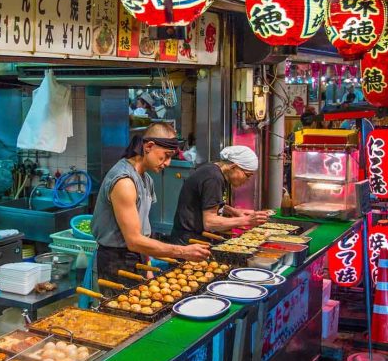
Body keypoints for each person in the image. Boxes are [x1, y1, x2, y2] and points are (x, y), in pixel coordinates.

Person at [91, 123, 210, 291]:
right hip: (115, 262)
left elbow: (142, 231)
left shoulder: (146, 179)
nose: (168, 163)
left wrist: (147, 266)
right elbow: (134, 241)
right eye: (166, 156)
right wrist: (182, 252)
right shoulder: (124, 182)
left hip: (137, 256)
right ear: (149, 146)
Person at [170, 146, 269, 244]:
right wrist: (247, 220)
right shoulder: (214, 178)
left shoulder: (214, 171)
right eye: (247, 175)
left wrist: (234, 211)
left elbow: (208, 202)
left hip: (192, 236)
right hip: (188, 241)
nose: (247, 181)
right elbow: (210, 222)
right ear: (233, 167)